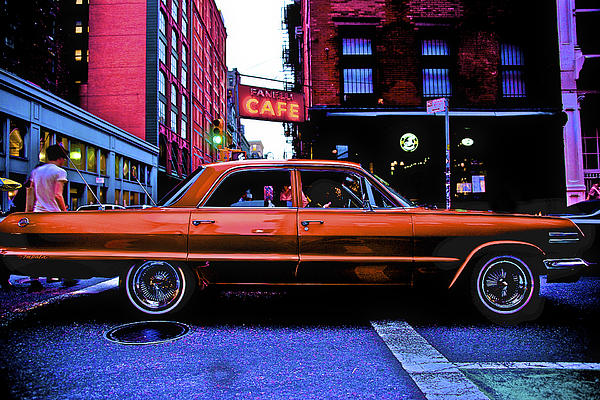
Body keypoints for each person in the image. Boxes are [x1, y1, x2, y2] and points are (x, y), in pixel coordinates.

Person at [26, 145, 76, 290]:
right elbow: (57, 194)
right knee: (62, 247)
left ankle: (34, 280)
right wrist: (64, 212)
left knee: (37, 249)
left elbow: (31, 194)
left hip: (37, 214)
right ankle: (67, 276)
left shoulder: (36, 171)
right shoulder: (60, 172)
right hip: (53, 216)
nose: (65, 161)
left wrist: (28, 214)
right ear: (60, 158)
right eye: (64, 158)